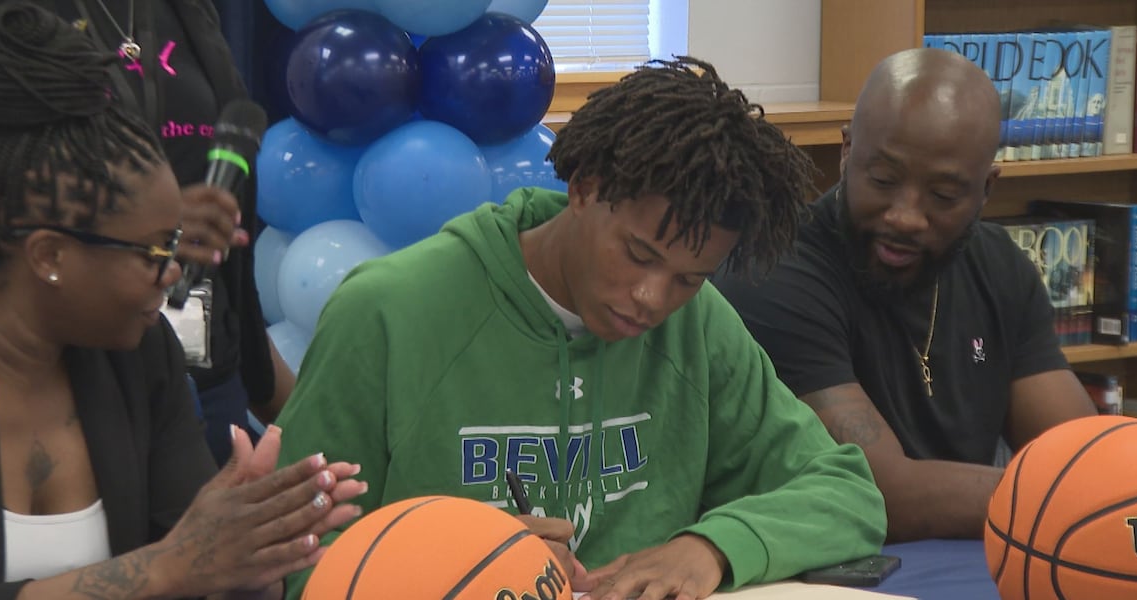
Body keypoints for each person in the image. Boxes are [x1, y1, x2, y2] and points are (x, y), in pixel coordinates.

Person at [275, 56, 887, 600]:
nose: (652, 299)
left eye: (688, 278)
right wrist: (461, 556)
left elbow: (846, 492)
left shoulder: (698, 326)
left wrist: (710, 549)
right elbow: (294, 561)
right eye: (640, 254)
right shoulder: (387, 311)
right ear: (584, 189)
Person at [0, 4, 367, 598]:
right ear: (49, 256)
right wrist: (169, 568)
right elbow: (172, 568)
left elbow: (199, 571)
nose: (173, 272)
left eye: (175, 242)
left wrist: (252, 552)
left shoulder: (141, 355)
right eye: (151, 251)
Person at [715, 48, 1097, 543]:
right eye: (884, 180)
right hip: (826, 568)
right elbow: (874, 491)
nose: (905, 216)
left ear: (987, 189)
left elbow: (1078, 452)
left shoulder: (1001, 266)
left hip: (977, 557)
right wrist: (1074, 497)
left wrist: (1100, 487)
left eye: (942, 196)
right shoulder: (772, 271)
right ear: (847, 150)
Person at [0, 0, 293, 466]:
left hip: (204, 367)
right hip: (61, 374)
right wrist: (137, 233)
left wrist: (291, 408)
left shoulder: (184, 9)